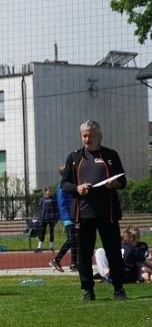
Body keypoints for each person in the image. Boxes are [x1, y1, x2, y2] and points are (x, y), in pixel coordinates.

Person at [60, 120, 128, 301]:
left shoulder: (110, 155)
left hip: (108, 214)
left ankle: (119, 289)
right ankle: (88, 291)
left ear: (99, 136)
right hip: (84, 215)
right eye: (84, 135)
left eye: (90, 135)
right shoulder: (74, 158)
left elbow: (123, 180)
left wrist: (115, 183)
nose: (87, 139)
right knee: (84, 254)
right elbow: (64, 184)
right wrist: (77, 188)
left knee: (113, 252)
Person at [50, 165, 78, 272]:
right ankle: (56, 260)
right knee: (72, 239)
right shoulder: (64, 185)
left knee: (75, 240)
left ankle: (74, 264)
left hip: (70, 214)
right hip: (68, 215)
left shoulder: (64, 184)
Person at [34, 187, 59, 252]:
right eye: (49, 191)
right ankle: (40, 248)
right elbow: (39, 209)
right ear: (45, 192)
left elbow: (56, 208)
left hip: (51, 219)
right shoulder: (42, 200)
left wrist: (56, 217)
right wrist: (40, 218)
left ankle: (51, 247)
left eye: (50, 191)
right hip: (43, 219)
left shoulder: (53, 199)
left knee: (51, 233)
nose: (50, 192)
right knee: (42, 233)